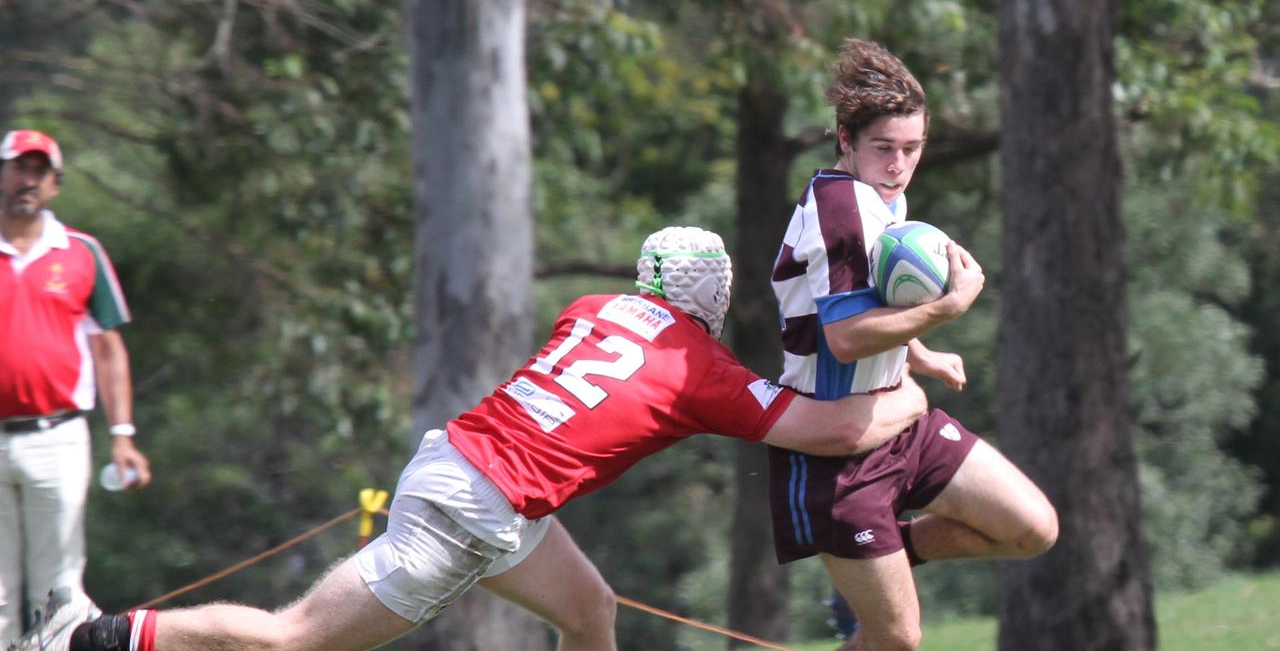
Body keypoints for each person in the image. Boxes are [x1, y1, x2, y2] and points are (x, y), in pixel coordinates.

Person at [49, 226, 932, 651]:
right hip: (474, 508)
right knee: (297, 640)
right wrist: (911, 390)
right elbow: (831, 431)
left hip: (472, 475)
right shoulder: (699, 368)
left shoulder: (594, 308)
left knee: (590, 613)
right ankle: (114, 640)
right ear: (713, 291)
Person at [769, 40, 1059, 651]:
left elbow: (867, 308)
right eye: (884, 148)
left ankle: (878, 567)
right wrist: (947, 310)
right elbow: (845, 339)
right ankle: (865, 590)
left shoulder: (886, 197)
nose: (899, 164)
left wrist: (918, 354)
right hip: (835, 451)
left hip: (898, 423)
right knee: (897, 642)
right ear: (845, 140)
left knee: (1032, 529)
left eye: (912, 148)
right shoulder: (842, 207)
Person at [0, 130, 153, 647]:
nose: (28, 180)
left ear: (55, 185)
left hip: (57, 436)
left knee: (58, 590)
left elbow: (109, 350)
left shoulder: (82, 252)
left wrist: (124, 435)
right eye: (19, 167)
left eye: (39, 172)